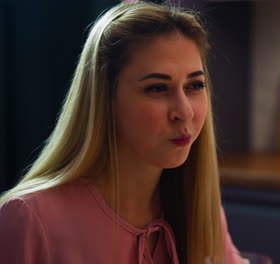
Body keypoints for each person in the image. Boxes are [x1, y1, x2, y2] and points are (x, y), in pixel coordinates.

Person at [0, 1, 248, 264]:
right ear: (105, 99)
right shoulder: (30, 218)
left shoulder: (199, 209)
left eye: (195, 85)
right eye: (157, 88)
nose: (184, 111)